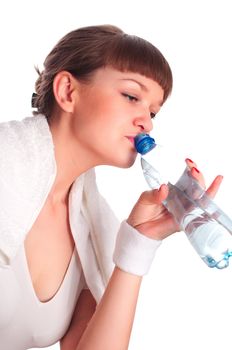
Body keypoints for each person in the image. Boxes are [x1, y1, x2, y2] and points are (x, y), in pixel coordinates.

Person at [0, 24, 223, 350]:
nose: (146, 121)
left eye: (153, 112)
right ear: (67, 92)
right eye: (132, 96)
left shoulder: (88, 228)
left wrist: (138, 243)